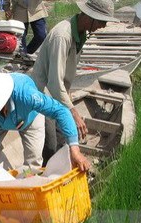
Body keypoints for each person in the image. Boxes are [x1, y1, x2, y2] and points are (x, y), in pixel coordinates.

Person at [30, 0, 119, 163]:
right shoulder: (62, 36)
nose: (103, 26)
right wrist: (74, 112)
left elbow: (65, 77)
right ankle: (47, 177)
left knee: (64, 139)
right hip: (43, 95)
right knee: (50, 145)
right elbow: (54, 83)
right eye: (102, 21)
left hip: (57, 95)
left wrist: (69, 103)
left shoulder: (80, 33)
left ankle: (60, 169)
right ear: (89, 16)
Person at [0, 69, 91, 172]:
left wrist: (75, 150)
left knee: (33, 164)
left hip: (29, 116)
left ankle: (29, 186)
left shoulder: (26, 95)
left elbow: (60, 111)